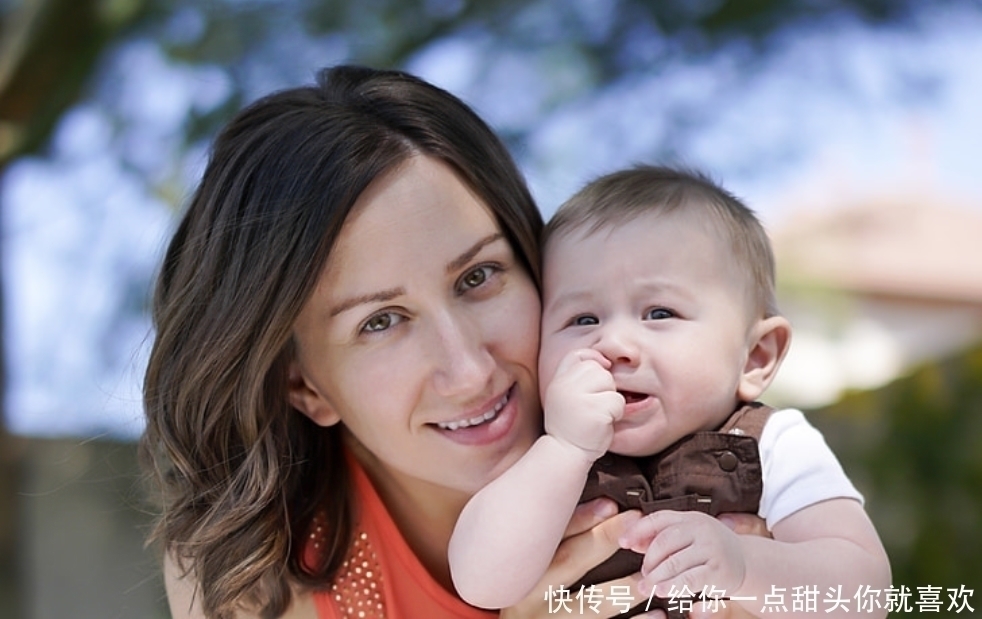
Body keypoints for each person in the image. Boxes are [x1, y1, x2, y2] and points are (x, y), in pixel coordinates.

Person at [141, 65, 701, 619]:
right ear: (303, 385)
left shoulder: (703, 467)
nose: (470, 371)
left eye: (478, 277)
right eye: (381, 321)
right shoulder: (251, 574)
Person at [449, 166, 892, 617]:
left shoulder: (777, 444)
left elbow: (866, 595)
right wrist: (563, 449)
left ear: (755, 356)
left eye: (659, 312)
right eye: (583, 320)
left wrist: (745, 564)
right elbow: (481, 583)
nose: (615, 344)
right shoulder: (542, 452)